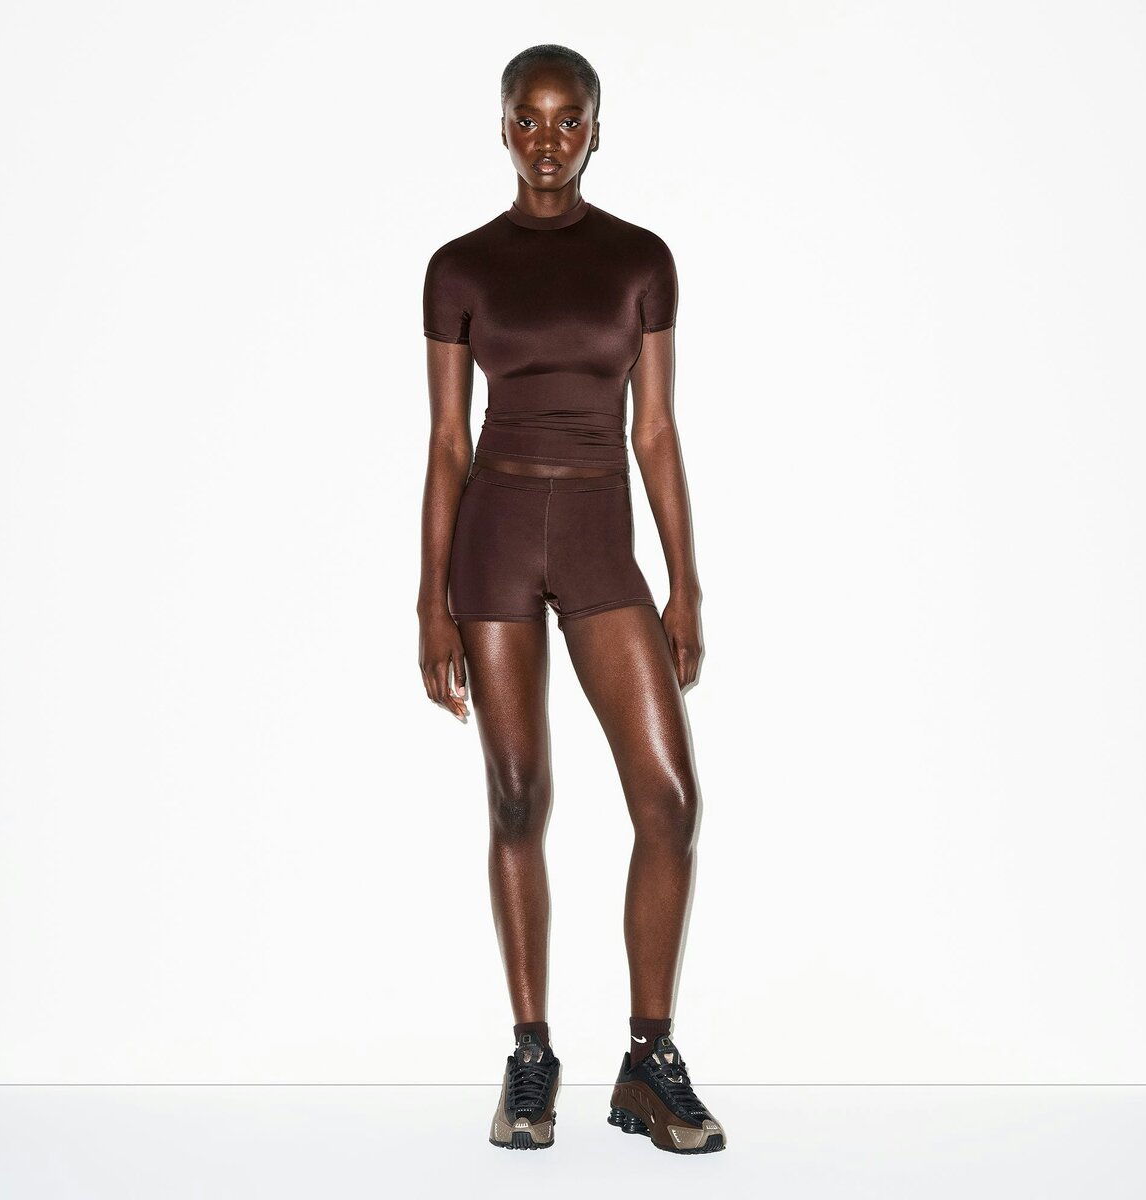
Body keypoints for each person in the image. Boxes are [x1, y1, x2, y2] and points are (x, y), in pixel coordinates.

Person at [416, 43, 726, 1156]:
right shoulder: (460, 268)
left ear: (597, 128)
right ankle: (531, 1056)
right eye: (528, 118)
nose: (547, 139)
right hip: (495, 539)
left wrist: (684, 585)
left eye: (568, 119)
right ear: (502, 126)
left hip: (600, 540)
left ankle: (649, 1060)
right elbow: (447, 442)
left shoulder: (641, 260)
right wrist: (429, 603)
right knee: (517, 797)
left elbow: (657, 433)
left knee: (669, 799)